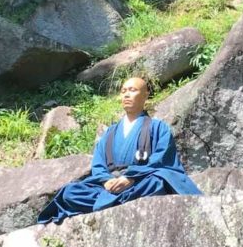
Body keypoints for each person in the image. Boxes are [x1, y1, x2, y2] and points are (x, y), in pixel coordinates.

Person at [37, 77, 202, 224]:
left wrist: (131, 177)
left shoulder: (158, 127)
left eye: (133, 90)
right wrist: (106, 180)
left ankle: (106, 203)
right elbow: (99, 163)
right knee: (69, 192)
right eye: (123, 91)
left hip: (139, 182)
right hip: (109, 185)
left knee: (156, 183)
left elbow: (161, 159)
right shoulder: (110, 132)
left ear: (145, 95)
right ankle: (117, 200)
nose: (126, 95)